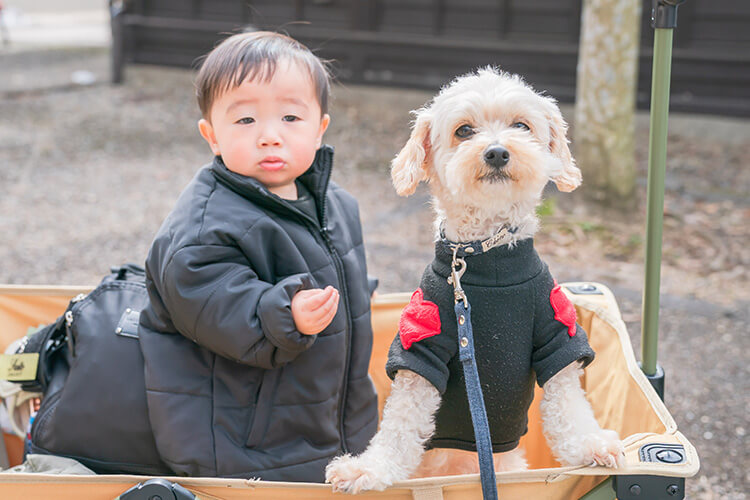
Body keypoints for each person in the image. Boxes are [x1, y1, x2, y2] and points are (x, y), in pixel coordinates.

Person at [138, 31, 379, 482]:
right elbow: (211, 303)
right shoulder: (204, 226)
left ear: (319, 127)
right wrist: (282, 313)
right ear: (212, 135)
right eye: (245, 120)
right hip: (248, 444)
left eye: (290, 116)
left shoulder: (336, 205)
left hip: (337, 422)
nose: (270, 136)